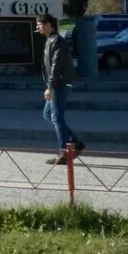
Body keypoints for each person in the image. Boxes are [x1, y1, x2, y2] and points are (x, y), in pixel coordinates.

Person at [36, 13, 84, 164]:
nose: (37, 27)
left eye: (39, 24)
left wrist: (50, 87)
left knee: (57, 118)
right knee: (47, 114)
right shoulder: (50, 39)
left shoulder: (58, 41)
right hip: (56, 84)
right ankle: (75, 142)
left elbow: (56, 66)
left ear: (48, 25)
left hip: (59, 84)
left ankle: (64, 153)